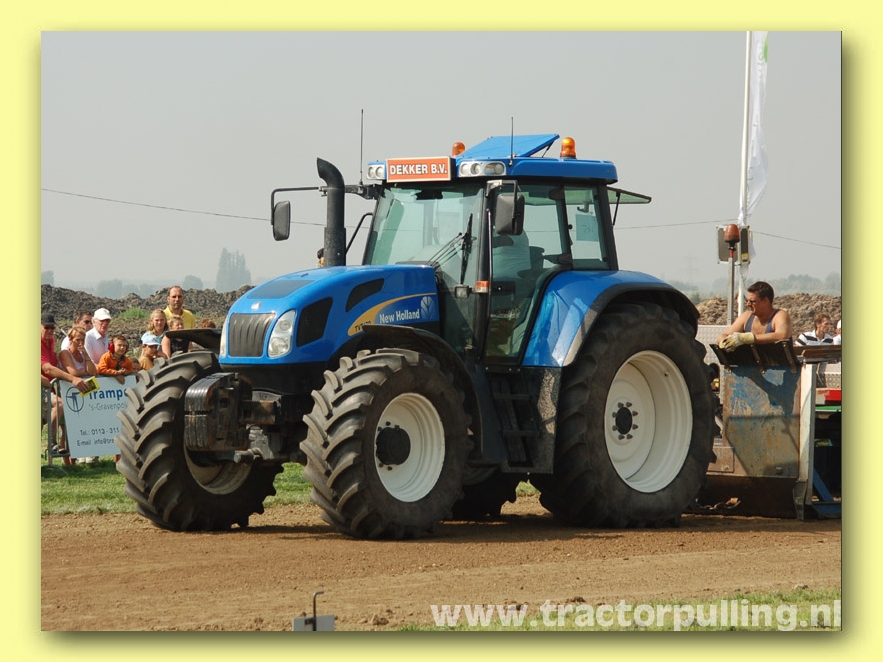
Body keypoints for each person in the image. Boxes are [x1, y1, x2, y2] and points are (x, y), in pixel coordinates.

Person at [41, 313, 89, 464]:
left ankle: (69, 461)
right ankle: (52, 443)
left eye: (52, 327)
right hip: (43, 388)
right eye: (47, 327)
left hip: (52, 388)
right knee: (60, 405)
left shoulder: (51, 341)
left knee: (67, 421)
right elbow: (48, 368)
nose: (50, 330)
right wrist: (73, 378)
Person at [716, 281, 793, 351]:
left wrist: (748, 338)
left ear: (765, 301)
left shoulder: (780, 315)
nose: (748, 304)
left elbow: (782, 335)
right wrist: (724, 342)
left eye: (752, 301)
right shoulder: (746, 317)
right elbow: (723, 335)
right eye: (747, 300)